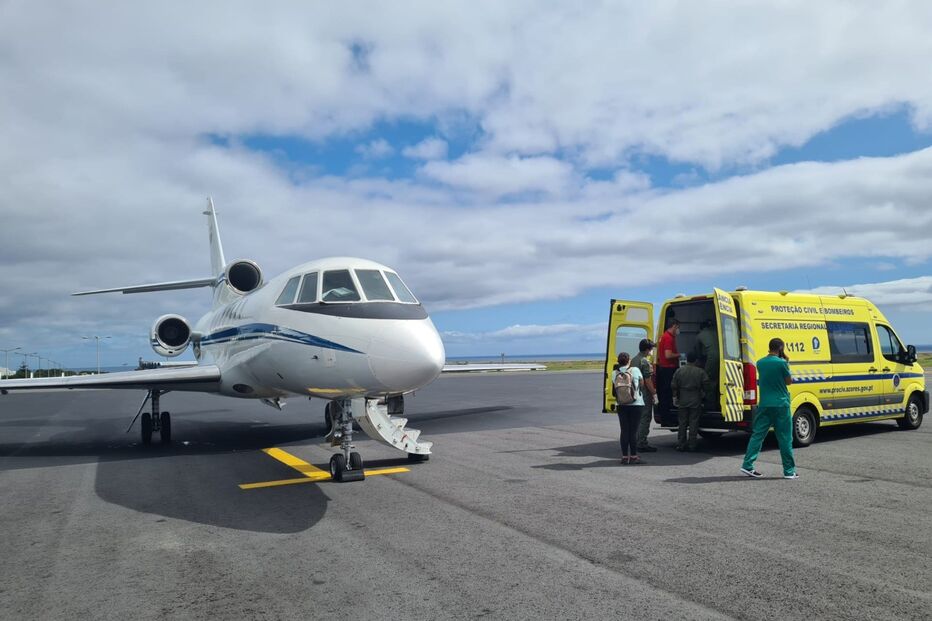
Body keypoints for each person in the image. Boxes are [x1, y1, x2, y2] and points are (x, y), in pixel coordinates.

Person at [740, 338, 798, 479]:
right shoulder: (782, 363)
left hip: (765, 403)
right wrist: (786, 363)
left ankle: (747, 465)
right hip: (781, 404)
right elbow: (788, 382)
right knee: (785, 438)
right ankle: (789, 471)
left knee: (758, 435)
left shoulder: (760, 363)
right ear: (781, 348)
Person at [671, 351, 712, 451]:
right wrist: (704, 395)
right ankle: (692, 445)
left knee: (682, 423)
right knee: (693, 422)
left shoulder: (679, 371)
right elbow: (707, 385)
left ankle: (681, 444)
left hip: (683, 399)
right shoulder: (700, 372)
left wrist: (675, 396)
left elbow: (673, 385)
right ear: (696, 361)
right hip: (695, 399)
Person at [613, 352, 644, 464]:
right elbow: (642, 383)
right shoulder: (635, 370)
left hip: (621, 404)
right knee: (634, 431)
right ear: (629, 360)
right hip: (636, 404)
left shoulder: (614, 373)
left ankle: (625, 456)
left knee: (624, 430)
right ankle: (634, 456)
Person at [630, 338, 658, 452]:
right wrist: (654, 392)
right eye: (651, 349)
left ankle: (636, 440)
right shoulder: (644, 361)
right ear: (647, 350)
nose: (651, 351)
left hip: (635, 392)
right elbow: (647, 380)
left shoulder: (634, 360)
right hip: (644, 393)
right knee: (645, 417)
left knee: (637, 418)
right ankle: (641, 443)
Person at [655, 318, 680, 419]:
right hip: (668, 369)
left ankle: (665, 415)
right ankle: (666, 417)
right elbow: (668, 355)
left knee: (665, 393)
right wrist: (679, 355)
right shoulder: (668, 338)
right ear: (674, 326)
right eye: (678, 327)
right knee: (667, 394)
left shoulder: (664, 336)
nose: (678, 330)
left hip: (664, 368)